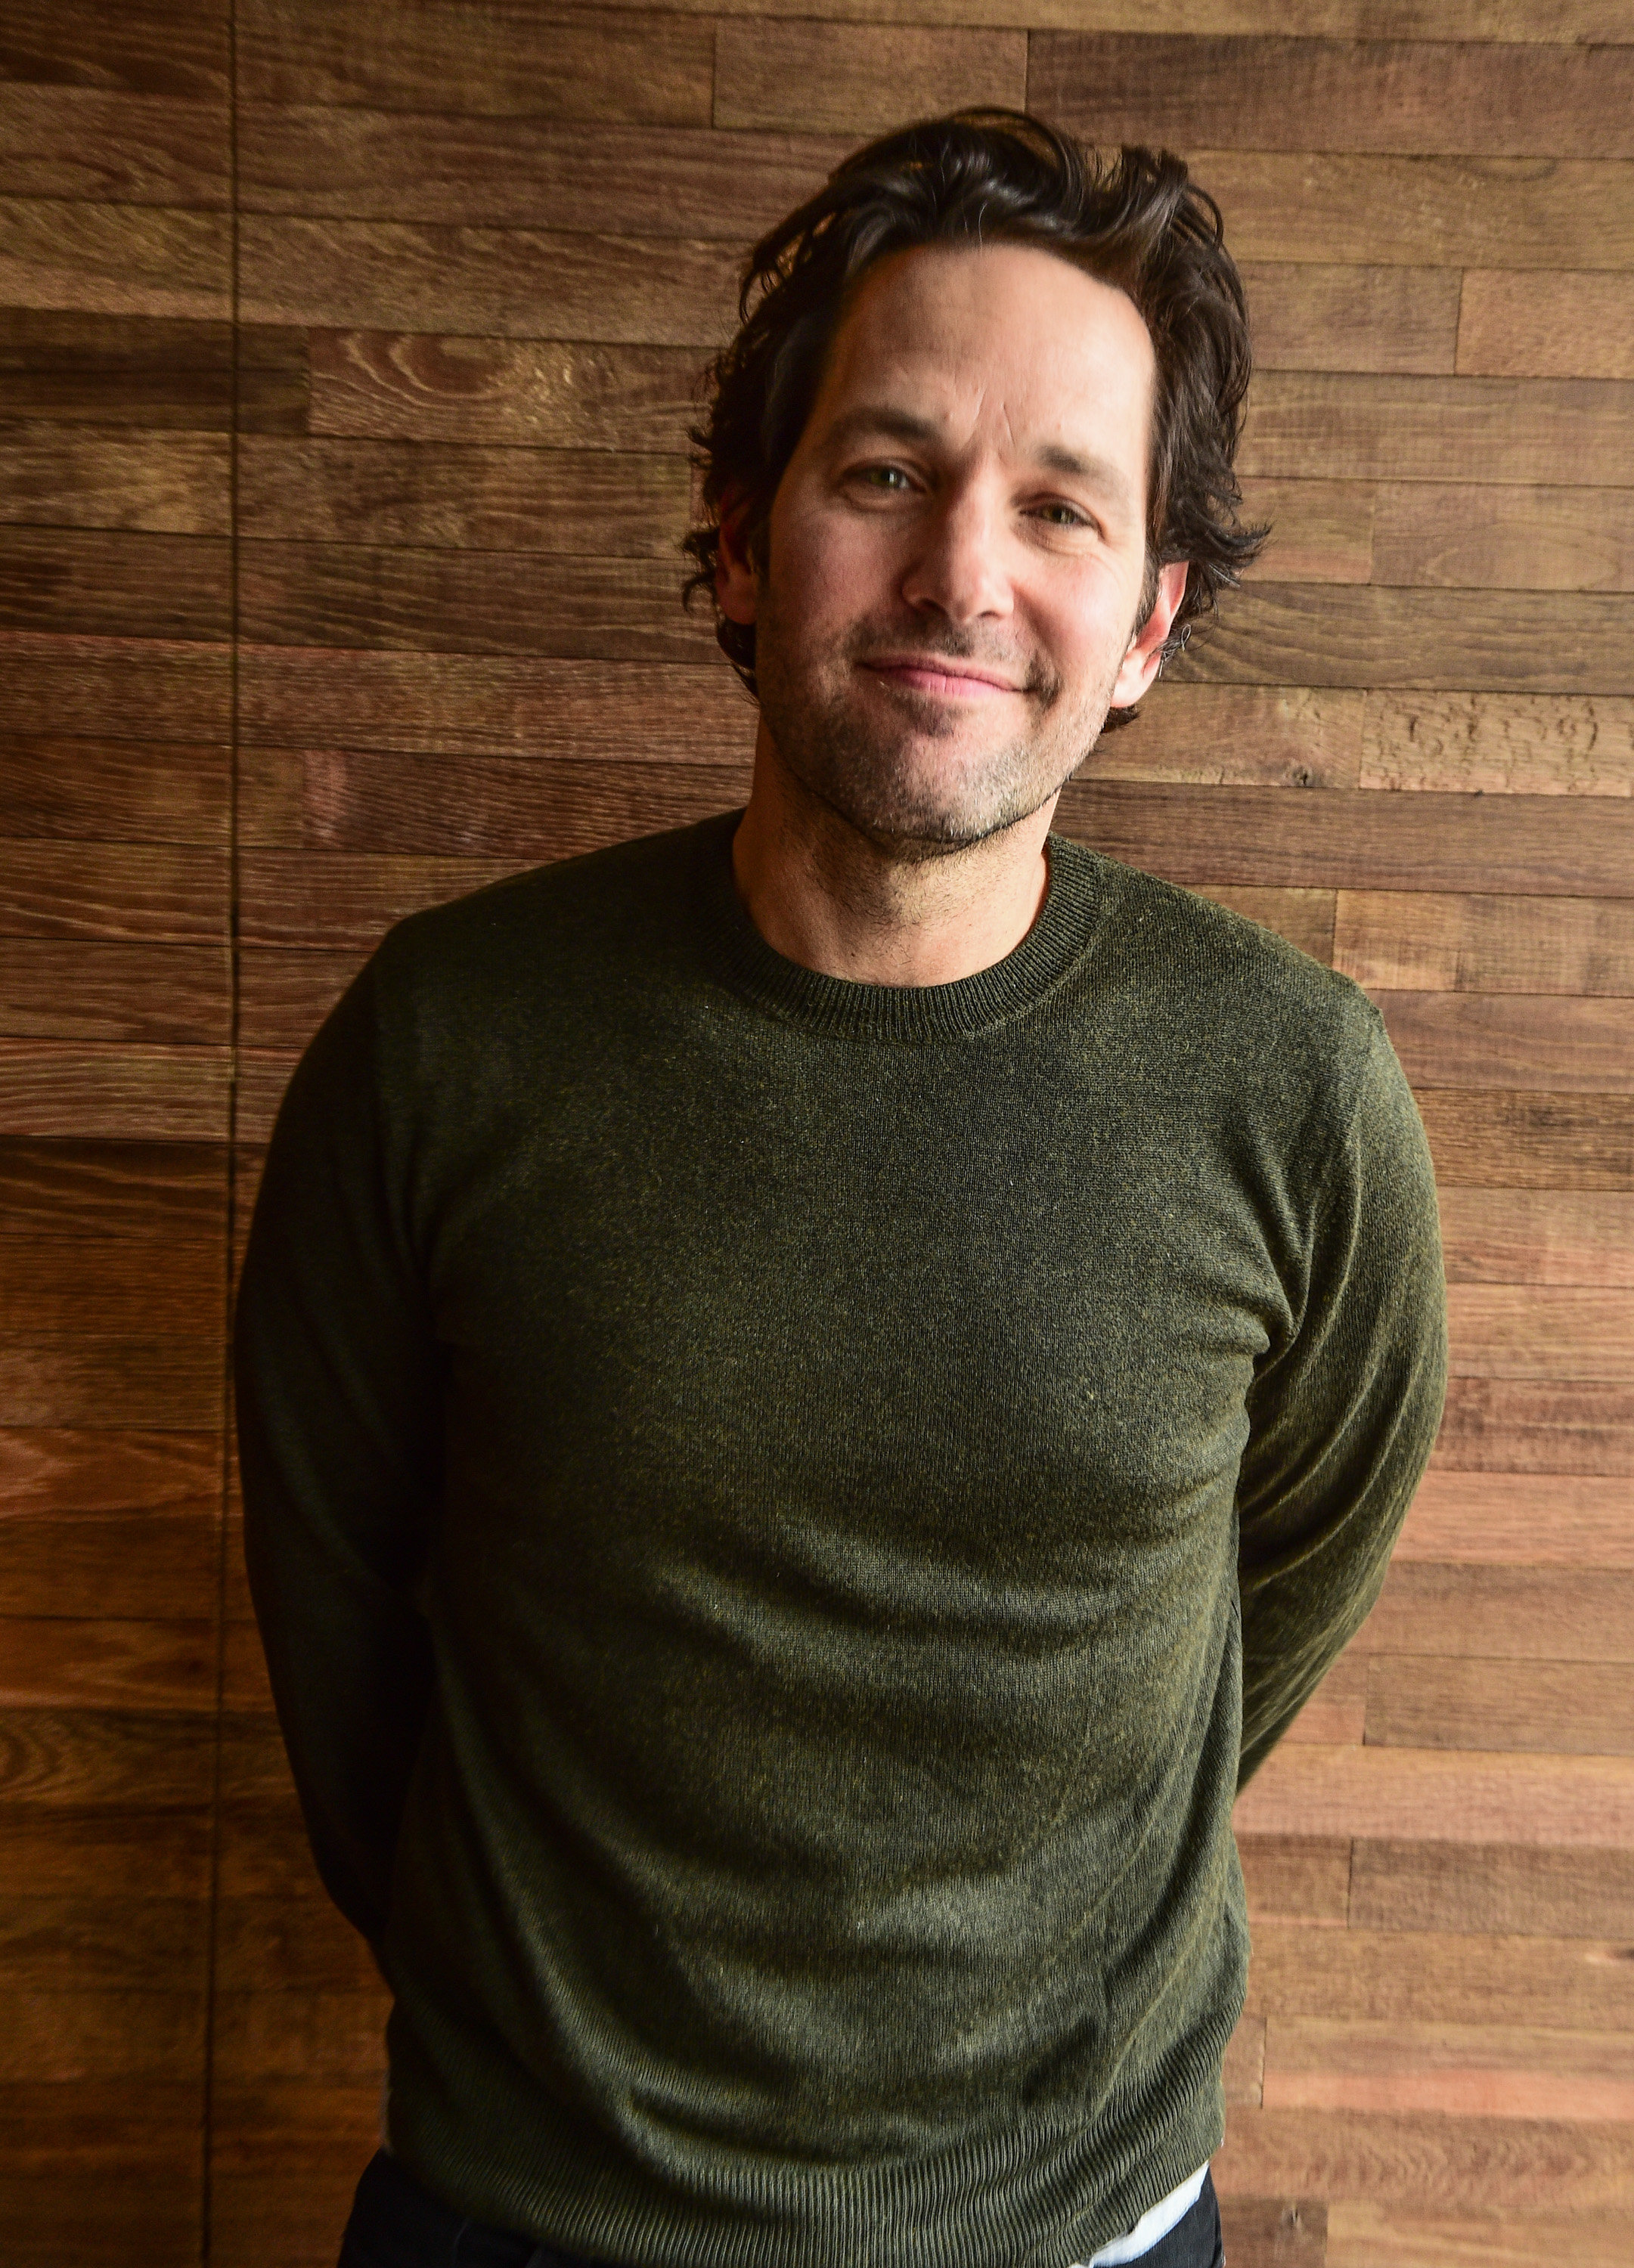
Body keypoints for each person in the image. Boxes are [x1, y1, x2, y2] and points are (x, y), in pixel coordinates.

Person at [234, 110, 1447, 2268]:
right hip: (523, 2217)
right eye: (884, 472)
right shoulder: (445, 1042)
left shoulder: (1292, 1094)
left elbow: (1266, 1602)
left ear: (1150, 620)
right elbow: (343, 1631)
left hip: (1077, 2230)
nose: (962, 574)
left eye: (1059, 508)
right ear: (737, 533)